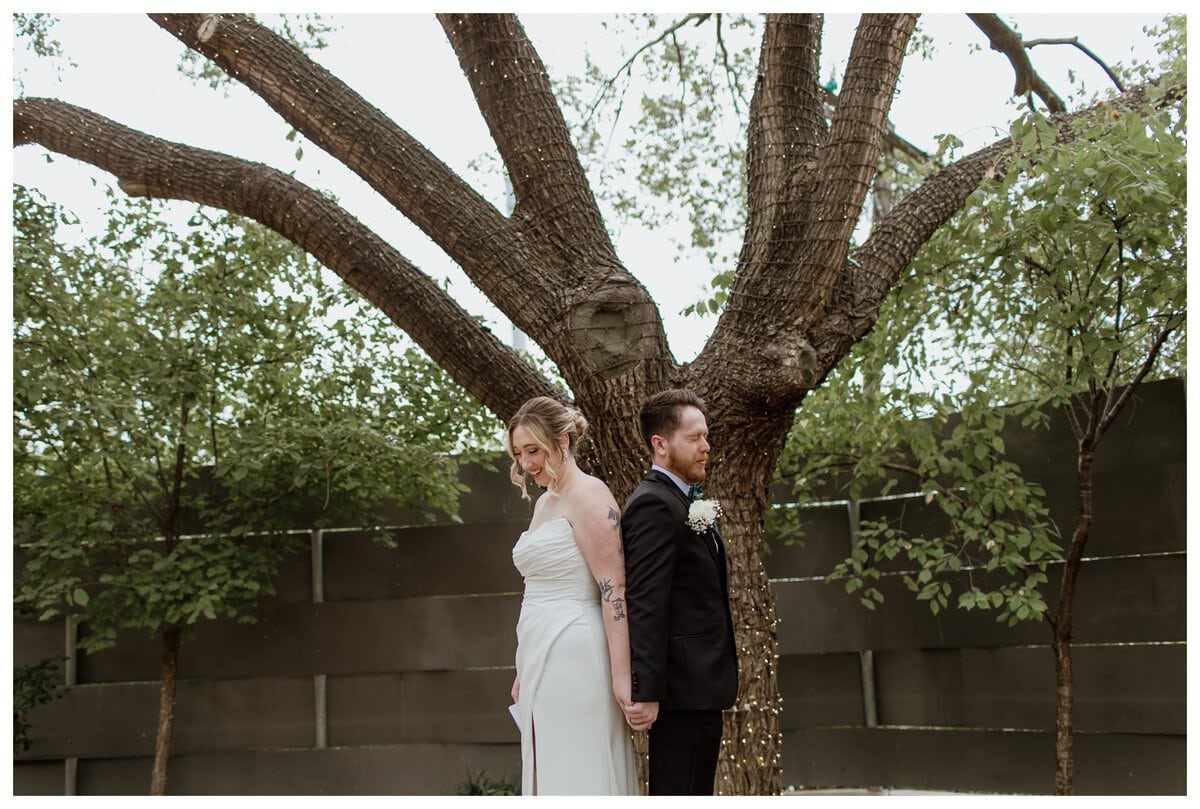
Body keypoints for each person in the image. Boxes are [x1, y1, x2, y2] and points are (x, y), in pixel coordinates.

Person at [506, 396, 638, 796]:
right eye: (519, 453)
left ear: (563, 441)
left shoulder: (590, 496)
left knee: (578, 763)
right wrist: (521, 669)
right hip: (537, 652)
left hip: (577, 651)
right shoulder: (546, 502)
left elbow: (614, 588)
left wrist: (621, 675)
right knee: (550, 764)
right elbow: (537, 588)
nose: (527, 464)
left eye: (535, 450)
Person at [620, 388, 739, 795]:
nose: (706, 447)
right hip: (680, 689)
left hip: (700, 686)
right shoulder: (653, 504)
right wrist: (648, 691)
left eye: (706, 436)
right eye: (694, 438)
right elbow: (646, 603)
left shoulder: (679, 499)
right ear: (661, 444)